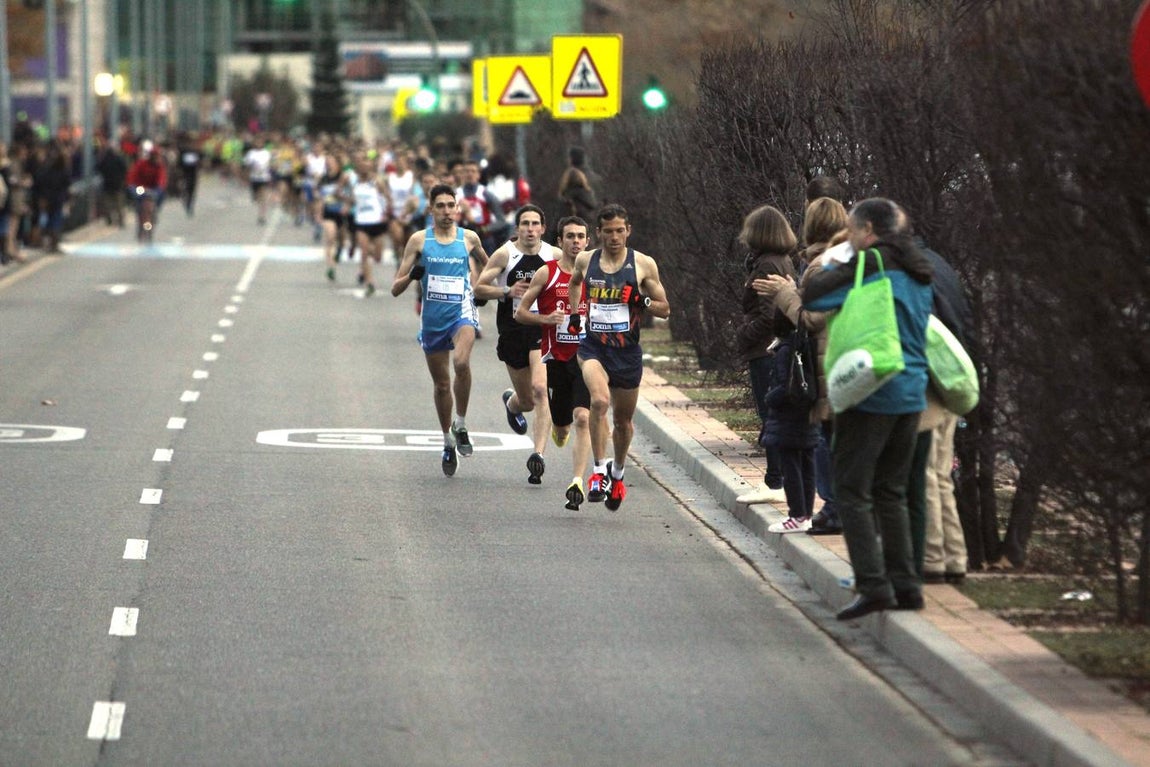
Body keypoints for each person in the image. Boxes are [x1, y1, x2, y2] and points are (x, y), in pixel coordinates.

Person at [802, 198, 933, 621]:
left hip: (871, 389)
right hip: (912, 390)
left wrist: (835, 260)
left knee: (852, 489)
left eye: (854, 232)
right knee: (891, 490)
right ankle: (906, 585)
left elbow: (813, 296)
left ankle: (873, 584)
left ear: (869, 230)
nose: (852, 239)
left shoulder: (868, 266)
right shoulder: (919, 270)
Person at [565, 203, 671, 510]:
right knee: (598, 401)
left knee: (623, 422)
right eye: (608, 231)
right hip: (593, 347)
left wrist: (640, 299)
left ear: (628, 231)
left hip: (626, 352)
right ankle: (598, 472)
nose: (614, 237)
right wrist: (575, 315)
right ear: (598, 233)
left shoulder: (643, 265)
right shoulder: (586, 260)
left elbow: (665, 309)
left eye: (619, 231)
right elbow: (574, 283)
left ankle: (618, 472)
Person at [755, 196, 850, 535]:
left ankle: (832, 507)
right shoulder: (839, 261)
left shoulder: (821, 265)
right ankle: (828, 507)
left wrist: (785, 293)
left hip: (823, 361)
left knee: (823, 441)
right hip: (833, 360)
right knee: (823, 440)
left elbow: (811, 318)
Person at [391, 183, 488, 476]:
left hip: (462, 311)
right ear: (431, 209)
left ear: (458, 208)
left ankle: (461, 423)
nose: (447, 211)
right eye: (441, 206)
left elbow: (491, 265)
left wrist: (482, 288)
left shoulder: (469, 238)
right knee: (442, 385)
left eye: (451, 205)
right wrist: (412, 276)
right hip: (433, 319)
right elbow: (395, 288)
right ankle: (447, 440)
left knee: (461, 362)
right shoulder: (419, 240)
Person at [514, 215, 597, 509]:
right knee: (562, 427)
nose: (576, 242)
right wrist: (544, 319)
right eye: (570, 236)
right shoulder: (546, 273)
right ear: (560, 242)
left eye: (581, 236)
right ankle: (556, 431)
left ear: (588, 241)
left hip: (588, 360)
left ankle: (577, 481)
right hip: (557, 359)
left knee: (584, 418)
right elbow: (519, 313)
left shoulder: (596, 274)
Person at [474, 204, 556, 484]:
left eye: (535, 224)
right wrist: (507, 290)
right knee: (528, 401)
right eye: (525, 224)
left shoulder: (553, 255)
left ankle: (538, 456)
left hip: (541, 329)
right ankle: (512, 404)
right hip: (512, 331)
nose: (530, 229)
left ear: (543, 228)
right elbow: (479, 288)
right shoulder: (505, 254)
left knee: (540, 390)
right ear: (517, 228)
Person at [734, 204, 798, 508]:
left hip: (765, 350)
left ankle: (776, 480)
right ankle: (779, 478)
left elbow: (768, 314)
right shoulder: (778, 260)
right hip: (770, 348)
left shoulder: (767, 265)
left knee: (770, 415)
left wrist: (743, 336)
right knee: (774, 415)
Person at [351, 153, 392, 296]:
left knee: (377, 257)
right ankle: (369, 282)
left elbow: (387, 198)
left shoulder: (377, 182)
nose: (363, 166)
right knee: (363, 252)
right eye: (361, 164)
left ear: (371, 166)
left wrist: (386, 214)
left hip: (377, 221)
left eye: (366, 163)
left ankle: (365, 271)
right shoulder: (355, 182)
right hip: (361, 221)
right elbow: (352, 199)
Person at [94, 140, 128, 228]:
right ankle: (121, 221)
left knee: (107, 204)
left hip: (107, 185)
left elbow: (99, 168)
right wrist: (122, 180)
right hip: (118, 185)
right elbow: (125, 170)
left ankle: (110, 220)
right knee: (119, 204)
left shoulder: (104, 159)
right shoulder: (119, 158)